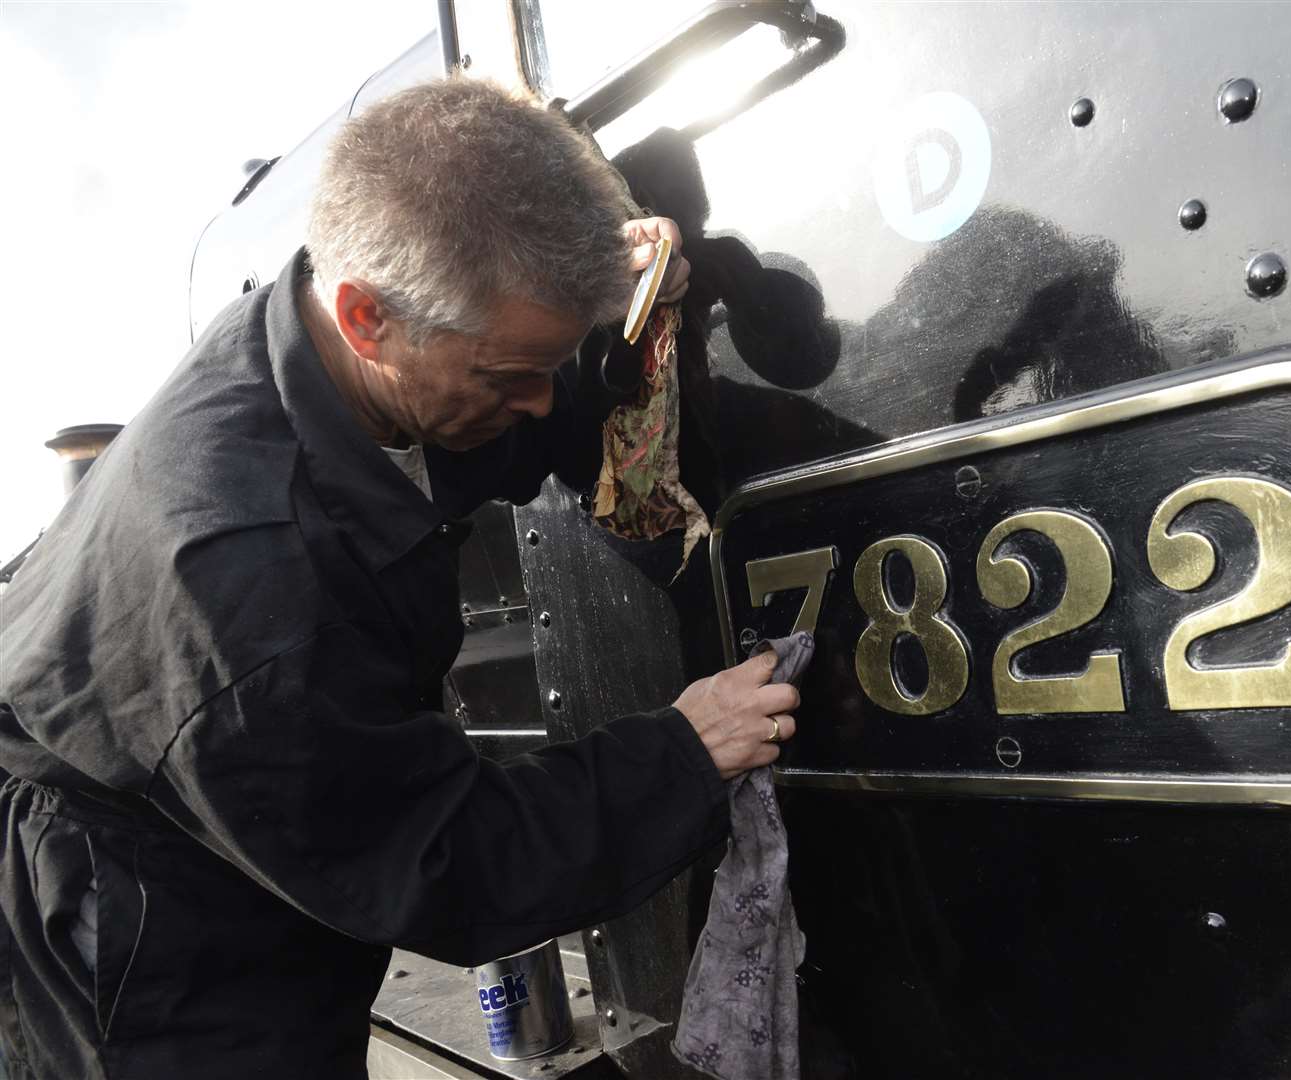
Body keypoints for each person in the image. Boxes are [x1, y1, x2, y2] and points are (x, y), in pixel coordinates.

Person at [0, 77, 797, 1080]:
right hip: (151, 938)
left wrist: (611, 326)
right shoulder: (249, 591)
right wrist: (683, 753)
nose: (538, 401)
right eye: (510, 374)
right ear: (368, 317)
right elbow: (449, 865)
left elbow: (453, 430)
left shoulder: (328, 328)